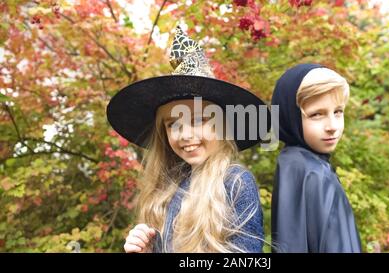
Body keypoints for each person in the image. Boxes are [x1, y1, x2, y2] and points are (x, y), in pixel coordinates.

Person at [106, 26, 270, 253]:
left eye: (199, 120)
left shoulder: (234, 183)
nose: (185, 134)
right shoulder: (167, 189)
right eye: (173, 124)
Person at [271, 63, 361, 253]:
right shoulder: (315, 173)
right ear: (291, 117)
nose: (332, 126)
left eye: (338, 112)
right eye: (316, 114)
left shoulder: (291, 162)